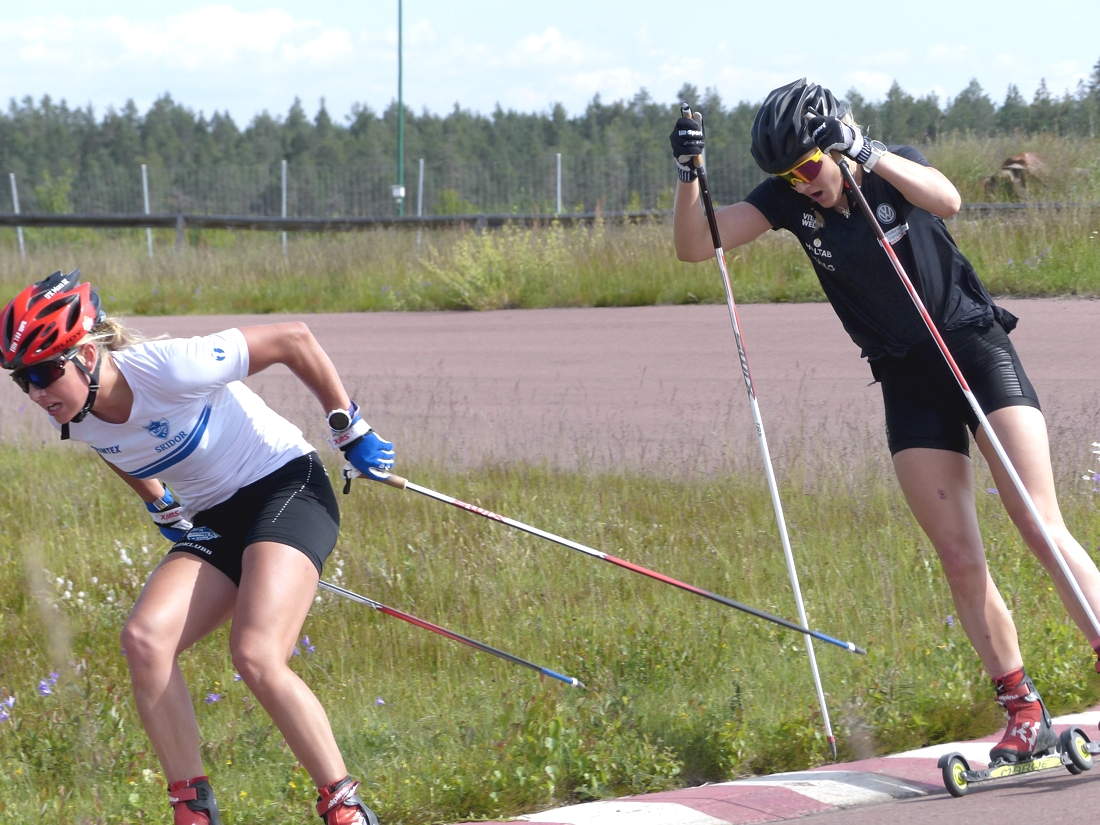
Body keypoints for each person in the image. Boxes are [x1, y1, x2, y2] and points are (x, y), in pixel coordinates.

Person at [669, 78, 1100, 764]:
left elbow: (949, 200)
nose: (802, 182)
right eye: (786, 174)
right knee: (959, 556)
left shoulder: (885, 165)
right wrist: (689, 176)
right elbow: (699, 245)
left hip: (973, 347)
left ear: (835, 141)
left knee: (1038, 522)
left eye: (810, 164)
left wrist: (863, 150)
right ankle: (1022, 712)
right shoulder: (788, 200)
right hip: (906, 375)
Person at [0, 269, 395, 825]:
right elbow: (114, 445)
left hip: (287, 485)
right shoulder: (75, 412)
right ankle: (194, 809)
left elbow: (293, 339)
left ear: (87, 355)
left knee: (256, 654)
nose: (37, 392)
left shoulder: (169, 368)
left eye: (44, 372)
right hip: (217, 516)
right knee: (145, 640)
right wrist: (159, 502)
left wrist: (348, 427)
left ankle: (345, 806)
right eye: (22, 381)